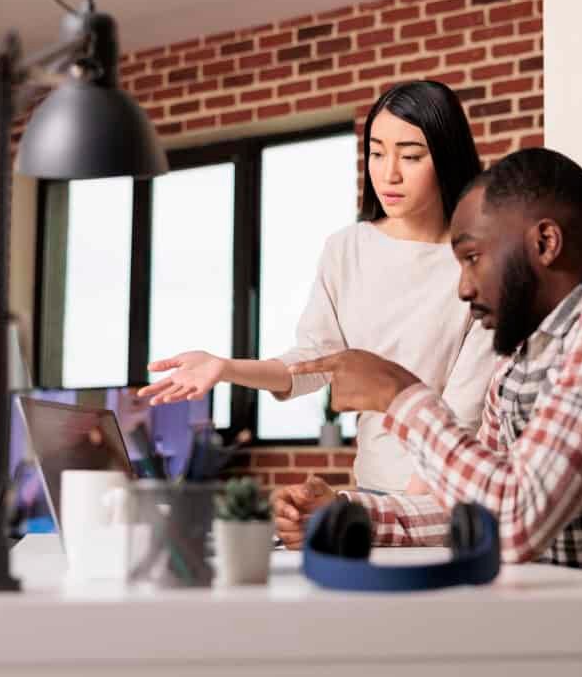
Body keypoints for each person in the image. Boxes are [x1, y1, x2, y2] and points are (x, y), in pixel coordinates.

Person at [273, 148, 582, 585]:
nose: (464, 288)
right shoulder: (521, 361)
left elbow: (514, 522)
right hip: (563, 618)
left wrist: (400, 394)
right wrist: (347, 513)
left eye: (473, 257)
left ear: (545, 242)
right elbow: (478, 507)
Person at [137, 81, 497, 495]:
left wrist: (399, 512)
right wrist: (226, 367)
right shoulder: (348, 248)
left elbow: (463, 414)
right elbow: (314, 362)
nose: (389, 172)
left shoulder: (478, 263)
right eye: (377, 152)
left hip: (450, 494)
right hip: (374, 488)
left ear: (447, 158)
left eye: (411, 156)